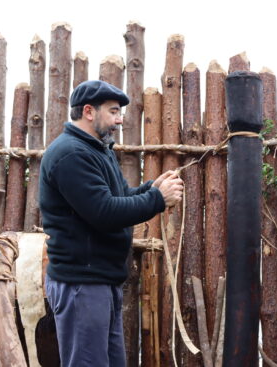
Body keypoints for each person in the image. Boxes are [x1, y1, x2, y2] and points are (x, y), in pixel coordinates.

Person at [39, 80, 184, 366]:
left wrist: (150, 189)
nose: (120, 119)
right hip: (82, 284)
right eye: (114, 111)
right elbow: (104, 213)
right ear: (89, 111)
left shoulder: (97, 150)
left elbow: (119, 197)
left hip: (99, 282)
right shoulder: (72, 154)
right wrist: (157, 199)